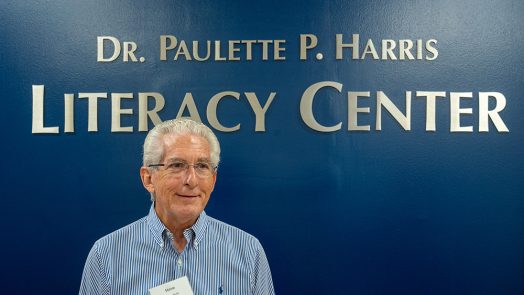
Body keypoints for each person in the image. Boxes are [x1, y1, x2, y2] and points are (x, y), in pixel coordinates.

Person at [79, 118, 274, 295]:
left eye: (202, 166)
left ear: (213, 180)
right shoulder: (106, 255)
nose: (191, 180)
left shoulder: (248, 251)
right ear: (148, 178)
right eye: (177, 165)